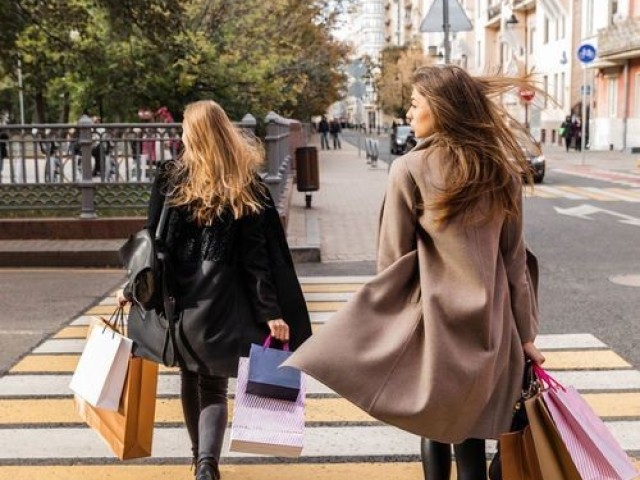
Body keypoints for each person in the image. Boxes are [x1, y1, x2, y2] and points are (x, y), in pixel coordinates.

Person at [285, 65, 545, 479]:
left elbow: (392, 262)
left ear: (439, 109)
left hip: (437, 326)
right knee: (473, 436)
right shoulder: (502, 172)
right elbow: (515, 262)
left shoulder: (409, 169)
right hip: (494, 331)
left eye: (415, 103)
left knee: (436, 424)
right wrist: (526, 336)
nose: (409, 113)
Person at [118, 100, 311, 480]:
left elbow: (151, 245)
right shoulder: (245, 182)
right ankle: (208, 463)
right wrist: (271, 311)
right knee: (213, 384)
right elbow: (259, 258)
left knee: (189, 377)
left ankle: (198, 459)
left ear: (191, 134)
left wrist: (131, 289)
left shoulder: (170, 177)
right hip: (225, 302)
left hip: (180, 300)